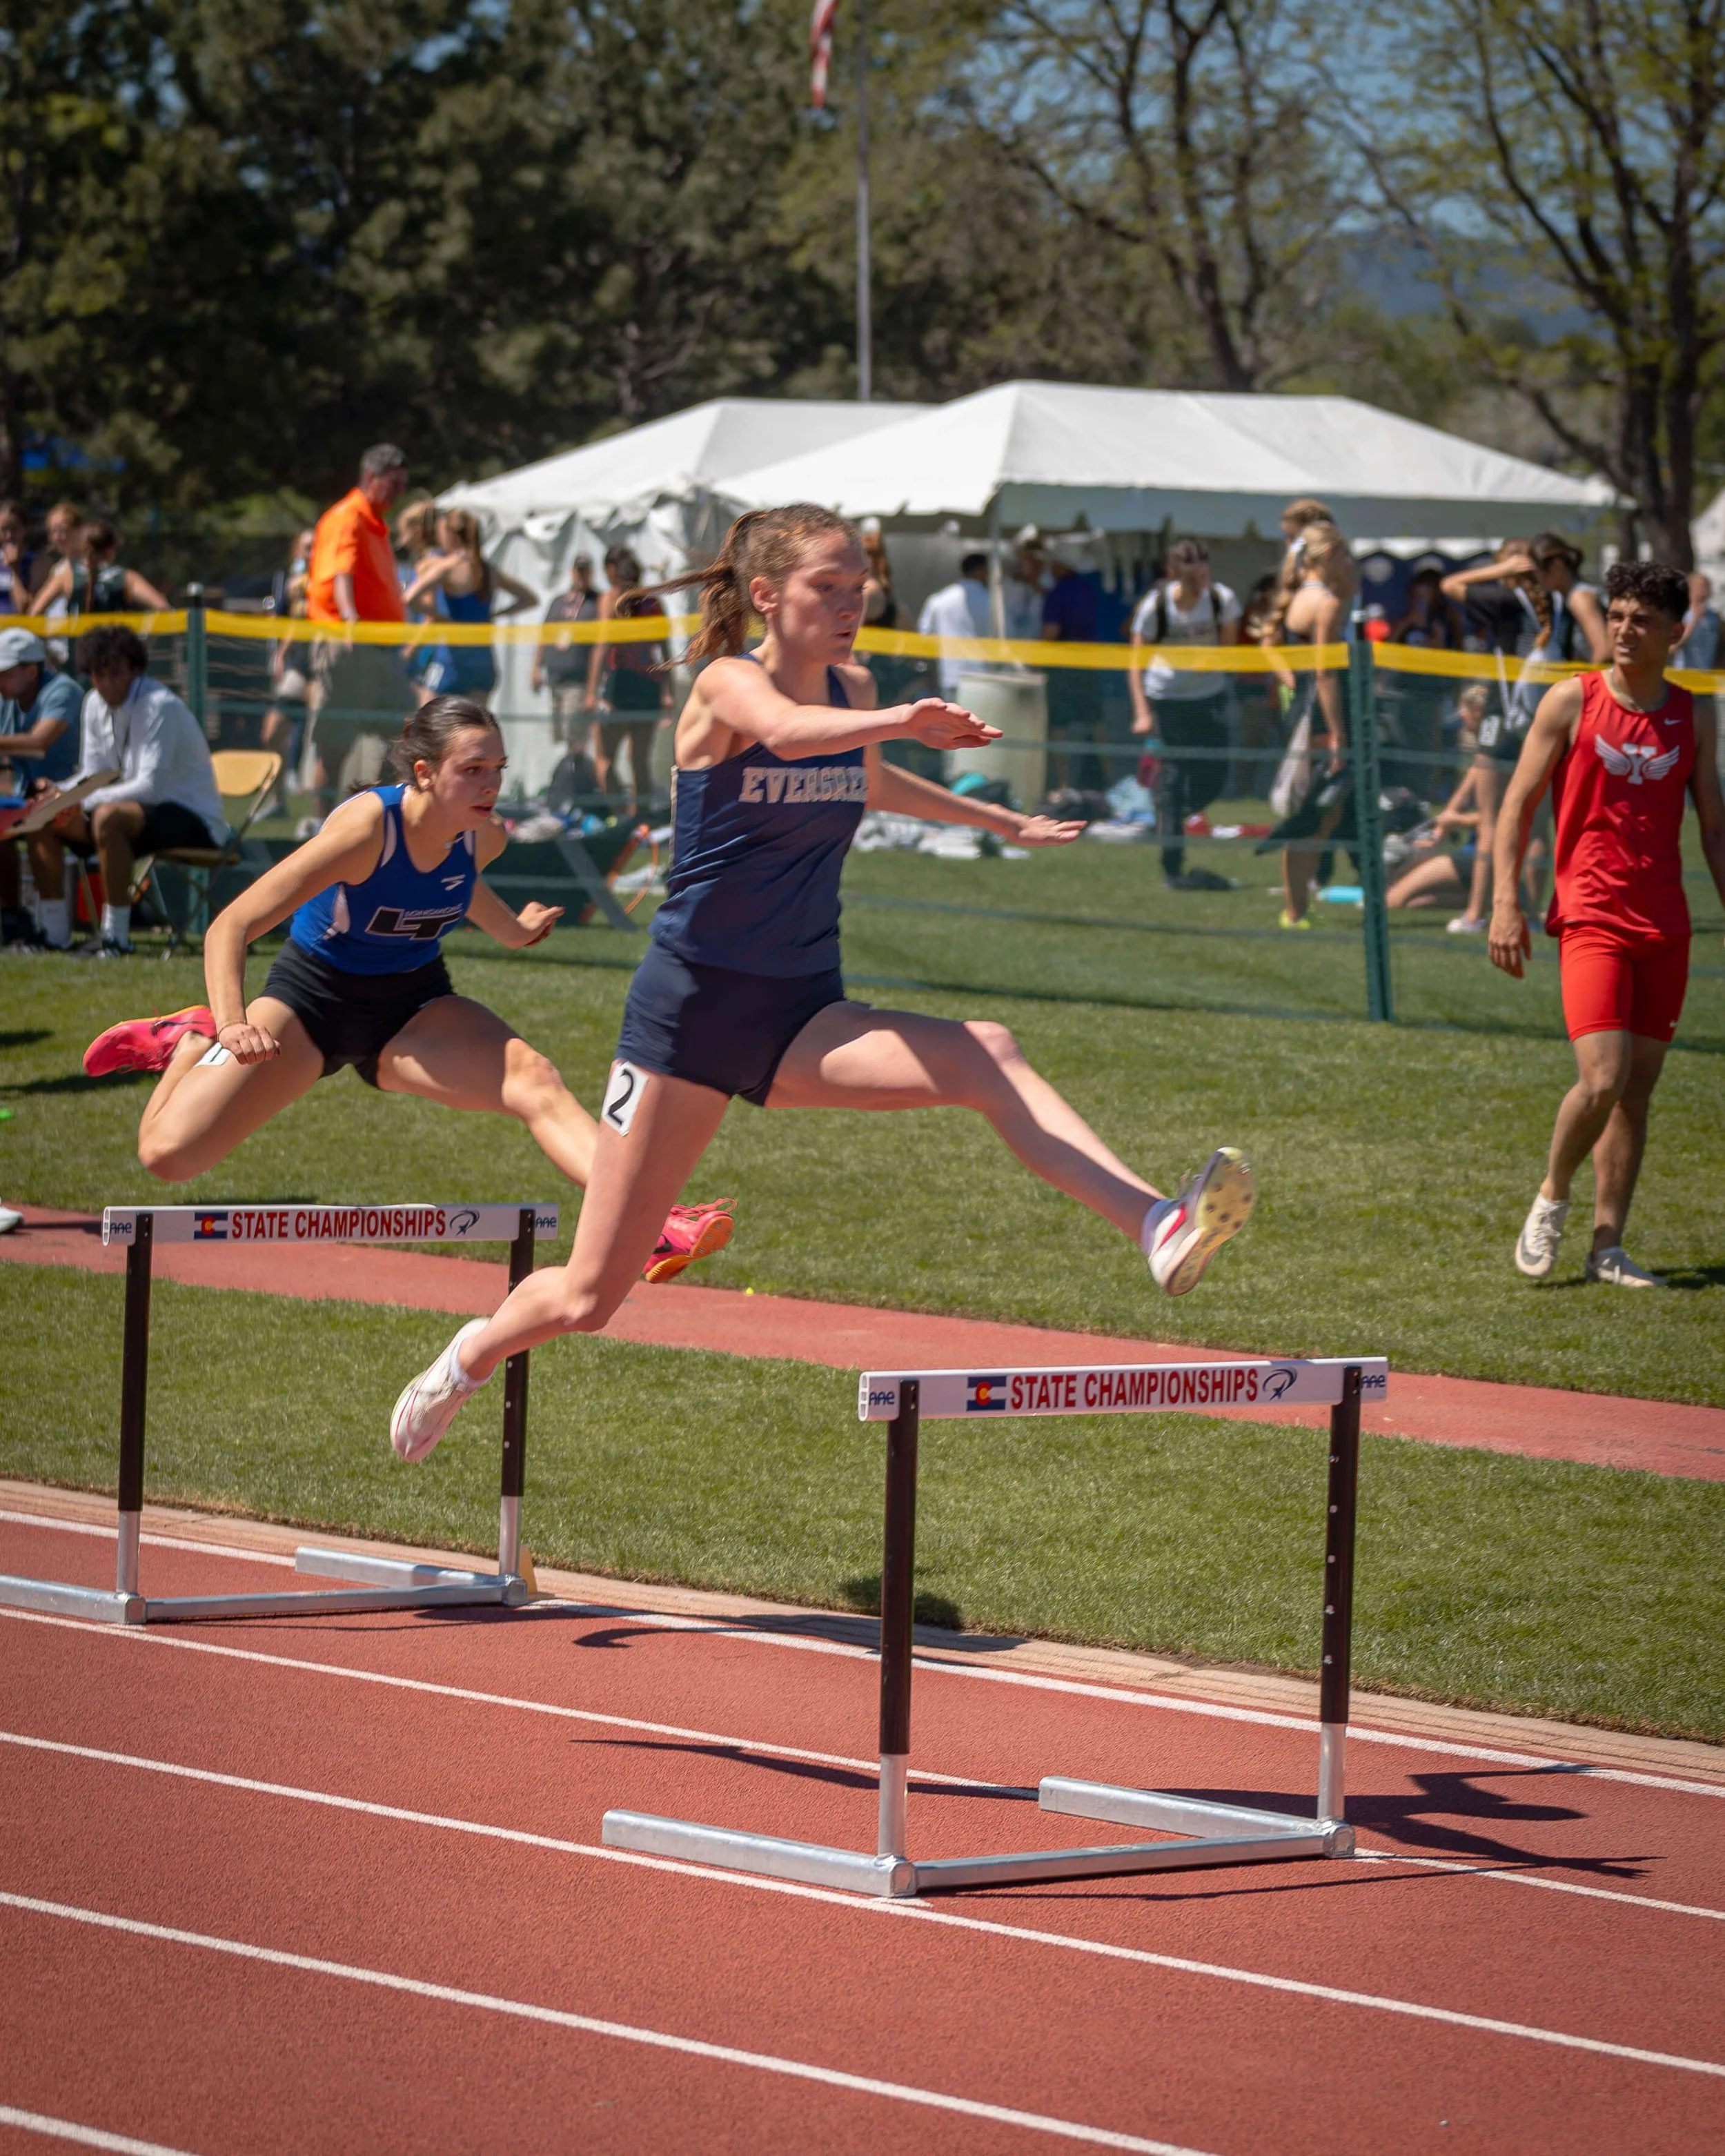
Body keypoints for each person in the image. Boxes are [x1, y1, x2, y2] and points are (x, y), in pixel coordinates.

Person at [386, 504, 1256, 1465]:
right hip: (688, 1020)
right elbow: (794, 733)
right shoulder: (727, 684)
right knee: (594, 1296)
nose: (851, 605)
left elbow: (866, 778)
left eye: (860, 588)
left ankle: (1157, 1224)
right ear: (766, 594)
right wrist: (906, 719)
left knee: (986, 1050)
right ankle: (467, 1356)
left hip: (803, 1009)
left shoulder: (856, 686)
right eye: (826, 588)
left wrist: (999, 821)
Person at [80, 695, 734, 1285]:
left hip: (412, 1008)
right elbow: (233, 924)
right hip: (312, 1003)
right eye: (473, 770)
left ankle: (656, 1219)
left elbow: (458, 881)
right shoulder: (367, 831)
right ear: (423, 773)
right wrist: (227, 1021)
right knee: (166, 1156)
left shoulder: (483, 836)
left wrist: (513, 930)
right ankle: (190, 1039)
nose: (492, 785)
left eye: (498, 769)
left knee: (534, 1079)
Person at [1491, 560, 1725, 1288]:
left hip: (1665, 923)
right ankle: (1551, 1195)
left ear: (1675, 632)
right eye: (1617, 614)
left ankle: (1607, 1246)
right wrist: (1505, 901)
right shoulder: (1571, 699)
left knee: (1636, 1092)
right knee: (1601, 1076)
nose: (1623, 629)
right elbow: (1516, 805)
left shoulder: (1697, 713)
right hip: (1591, 916)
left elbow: (1713, 826)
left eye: (1641, 619)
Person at [26, 626, 227, 955]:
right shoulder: (92, 702)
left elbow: (151, 788)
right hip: (132, 815)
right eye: (98, 674)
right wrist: (57, 793)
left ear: (135, 668)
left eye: (115, 673)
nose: (106, 683)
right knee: (41, 815)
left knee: (107, 817)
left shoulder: (160, 704)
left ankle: (116, 938)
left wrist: (76, 800)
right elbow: (94, 773)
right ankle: (53, 937)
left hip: (195, 821)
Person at [306, 444, 417, 814]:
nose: (400, 491)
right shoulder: (348, 517)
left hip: (381, 651)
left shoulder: (375, 521)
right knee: (336, 743)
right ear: (371, 477)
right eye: (394, 483)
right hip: (352, 647)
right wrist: (351, 619)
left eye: (403, 484)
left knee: (405, 734)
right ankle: (320, 829)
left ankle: (378, 818)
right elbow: (342, 573)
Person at [1257, 520, 1357, 927]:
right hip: (1319, 716)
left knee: (1315, 815)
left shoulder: (1300, 596)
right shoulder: (1326, 602)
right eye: (1346, 554)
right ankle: (1295, 909)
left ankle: (1296, 906)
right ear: (1330, 555)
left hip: (1301, 710)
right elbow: (1325, 673)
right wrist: (1338, 733)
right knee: (1315, 817)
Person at [1129, 538, 1241, 890]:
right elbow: (1135, 663)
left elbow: (1229, 650)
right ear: (1173, 571)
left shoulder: (1222, 600)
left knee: (1215, 774)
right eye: (1191, 568)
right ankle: (1172, 861)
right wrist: (1142, 711)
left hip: (1209, 696)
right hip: (1168, 698)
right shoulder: (1156, 606)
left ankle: (1171, 813)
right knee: (1175, 777)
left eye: (1204, 567)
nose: (1200, 574)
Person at [404, 508, 538, 706]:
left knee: (424, 728)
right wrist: (497, 613)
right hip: (483, 666)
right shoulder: (488, 570)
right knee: (473, 733)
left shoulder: (449, 567)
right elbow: (529, 599)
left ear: (451, 536)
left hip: (452, 662)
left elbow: (409, 597)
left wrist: (439, 616)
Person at [0, 626, 84, 936]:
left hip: (76, 798)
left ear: (32, 671)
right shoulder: (7, 697)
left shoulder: (64, 690)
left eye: (5, 672)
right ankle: (12, 915)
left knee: (39, 819)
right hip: (31, 798)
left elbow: (38, 744)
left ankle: (53, 931)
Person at [586, 546, 671, 815]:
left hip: (643, 686)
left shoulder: (650, 604)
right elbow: (601, 647)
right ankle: (622, 814)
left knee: (637, 760)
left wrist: (668, 691)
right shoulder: (612, 603)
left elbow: (664, 647)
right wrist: (592, 692)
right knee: (608, 760)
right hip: (621, 686)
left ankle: (636, 820)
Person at [259, 528, 315, 816]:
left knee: (324, 745)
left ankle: (321, 817)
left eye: (316, 547)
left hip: (324, 669)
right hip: (298, 668)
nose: (312, 552)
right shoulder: (288, 582)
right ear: (296, 551)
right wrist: (280, 656)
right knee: (272, 733)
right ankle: (278, 801)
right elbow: (286, 620)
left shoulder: (325, 580)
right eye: (307, 548)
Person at [1041, 542, 1105, 790]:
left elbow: (1051, 631)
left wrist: (1033, 653)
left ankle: (1064, 785)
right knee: (1097, 723)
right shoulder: (1086, 590)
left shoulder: (1057, 593)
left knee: (1059, 726)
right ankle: (1110, 781)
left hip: (1062, 670)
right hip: (1088, 665)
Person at [32, 520, 170, 615]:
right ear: (111, 550)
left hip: (78, 655)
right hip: (115, 654)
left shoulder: (66, 576)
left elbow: (34, 613)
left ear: (83, 547)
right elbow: (163, 608)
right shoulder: (126, 578)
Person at [533, 555, 600, 746]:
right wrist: (536, 668)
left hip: (579, 681)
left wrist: (592, 690)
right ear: (572, 572)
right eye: (578, 571)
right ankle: (567, 771)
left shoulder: (596, 603)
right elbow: (544, 635)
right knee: (560, 735)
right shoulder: (558, 602)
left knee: (575, 734)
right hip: (555, 678)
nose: (581, 576)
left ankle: (576, 772)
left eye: (585, 571)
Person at [917, 552, 994, 695]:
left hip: (950, 674)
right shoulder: (992, 602)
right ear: (981, 571)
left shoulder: (939, 599)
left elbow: (925, 636)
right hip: (982, 676)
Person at [0, 501, 37, 615]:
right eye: (4, 530)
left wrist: (13, 569)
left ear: (25, 529)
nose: (9, 536)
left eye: (14, 529)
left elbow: (24, 608)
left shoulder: (36, 561)